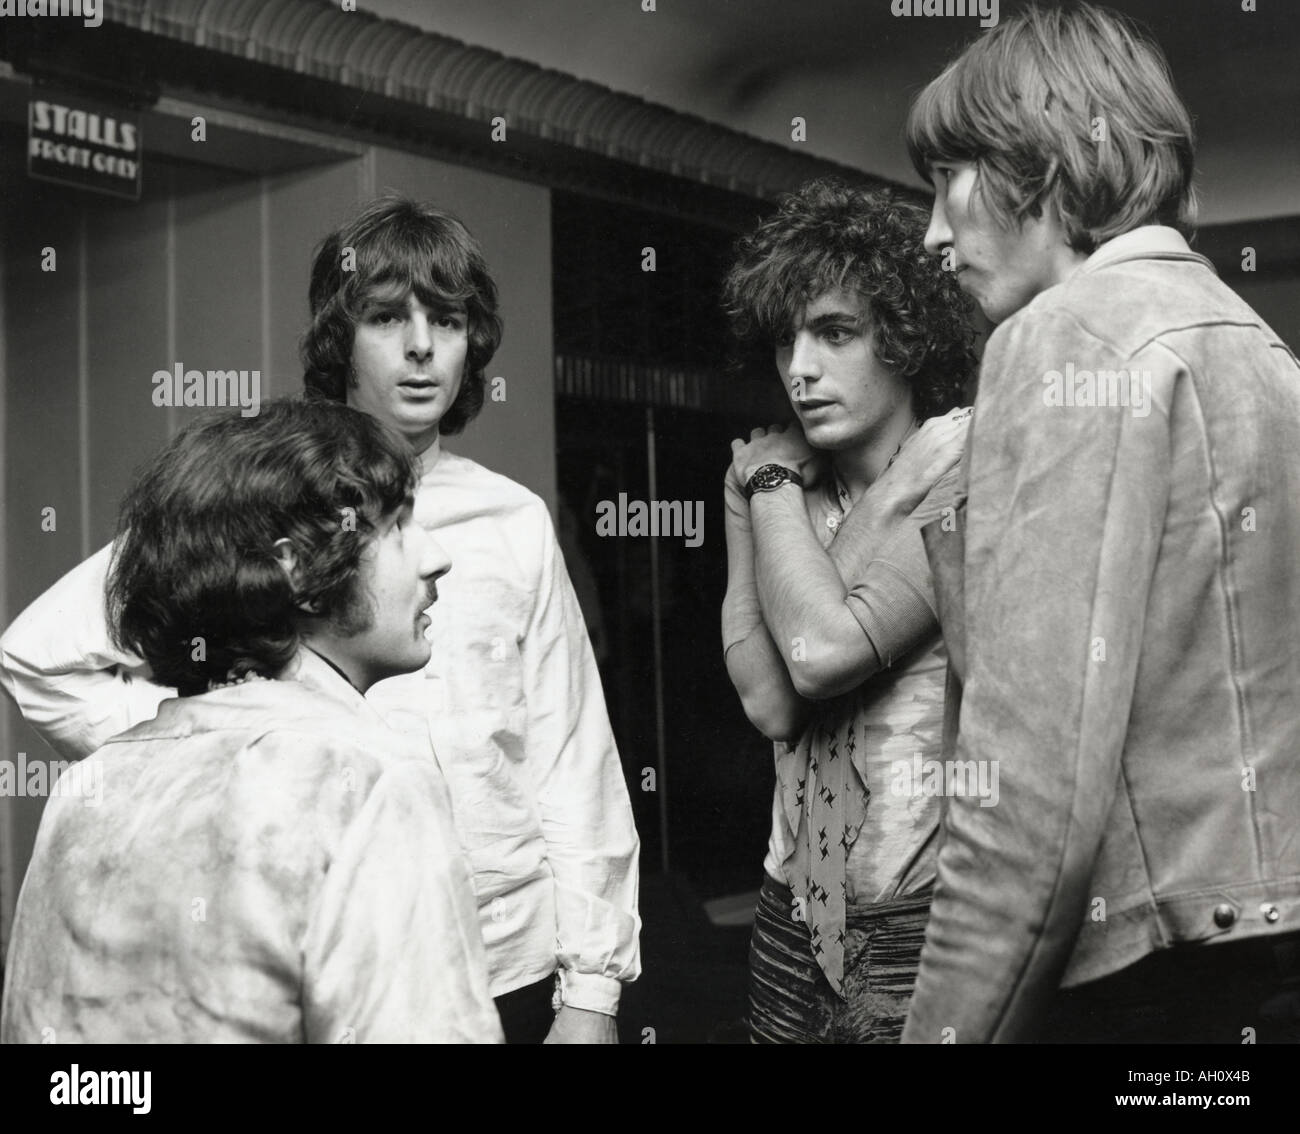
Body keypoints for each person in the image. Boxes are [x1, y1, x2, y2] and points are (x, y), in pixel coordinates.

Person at [0, 196, 641, 1044]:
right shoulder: (271, 490)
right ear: (343, 340)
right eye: (386, 318)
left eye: (447, 322)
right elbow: (40, 655)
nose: (420, 347)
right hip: (329, 948)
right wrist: (222, 766)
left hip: (512, 959)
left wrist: (591, 988)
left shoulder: (513, 519)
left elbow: (570, 755)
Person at [901, 2, 1300, 1043]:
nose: (932, 232)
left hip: (1137, 990)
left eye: (946, 180)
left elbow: (1026, 805)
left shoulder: (1061, 338)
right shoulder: (1265, 352)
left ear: (1034, 164)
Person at [1, 399, 502, 1043]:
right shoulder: (374, 788)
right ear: (296, 568)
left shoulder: (83, 791)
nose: (436, 557)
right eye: (398, 526)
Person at [720, 178, 976, 1042]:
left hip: (924, 919)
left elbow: (820, 656)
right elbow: (770, 704)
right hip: (788, 912)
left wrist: (902, 483)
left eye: (834, 334)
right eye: (787, 340)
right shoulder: (770, 483)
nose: (800, 368)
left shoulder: (959, 475)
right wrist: (775, 491)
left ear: (903, 340)